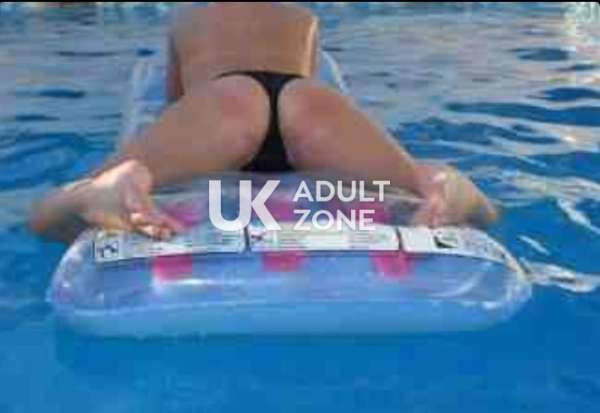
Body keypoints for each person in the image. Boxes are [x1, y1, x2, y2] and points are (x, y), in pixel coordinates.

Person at [30, 2, 497, 242]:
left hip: (227, 102)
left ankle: (104, 190)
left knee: (57, 209)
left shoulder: (188, 20)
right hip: (307, 102)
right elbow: (312, 73)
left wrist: (166, 148)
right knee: (418, 183)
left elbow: (175, 101)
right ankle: (448, 186)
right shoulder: (302, 17)